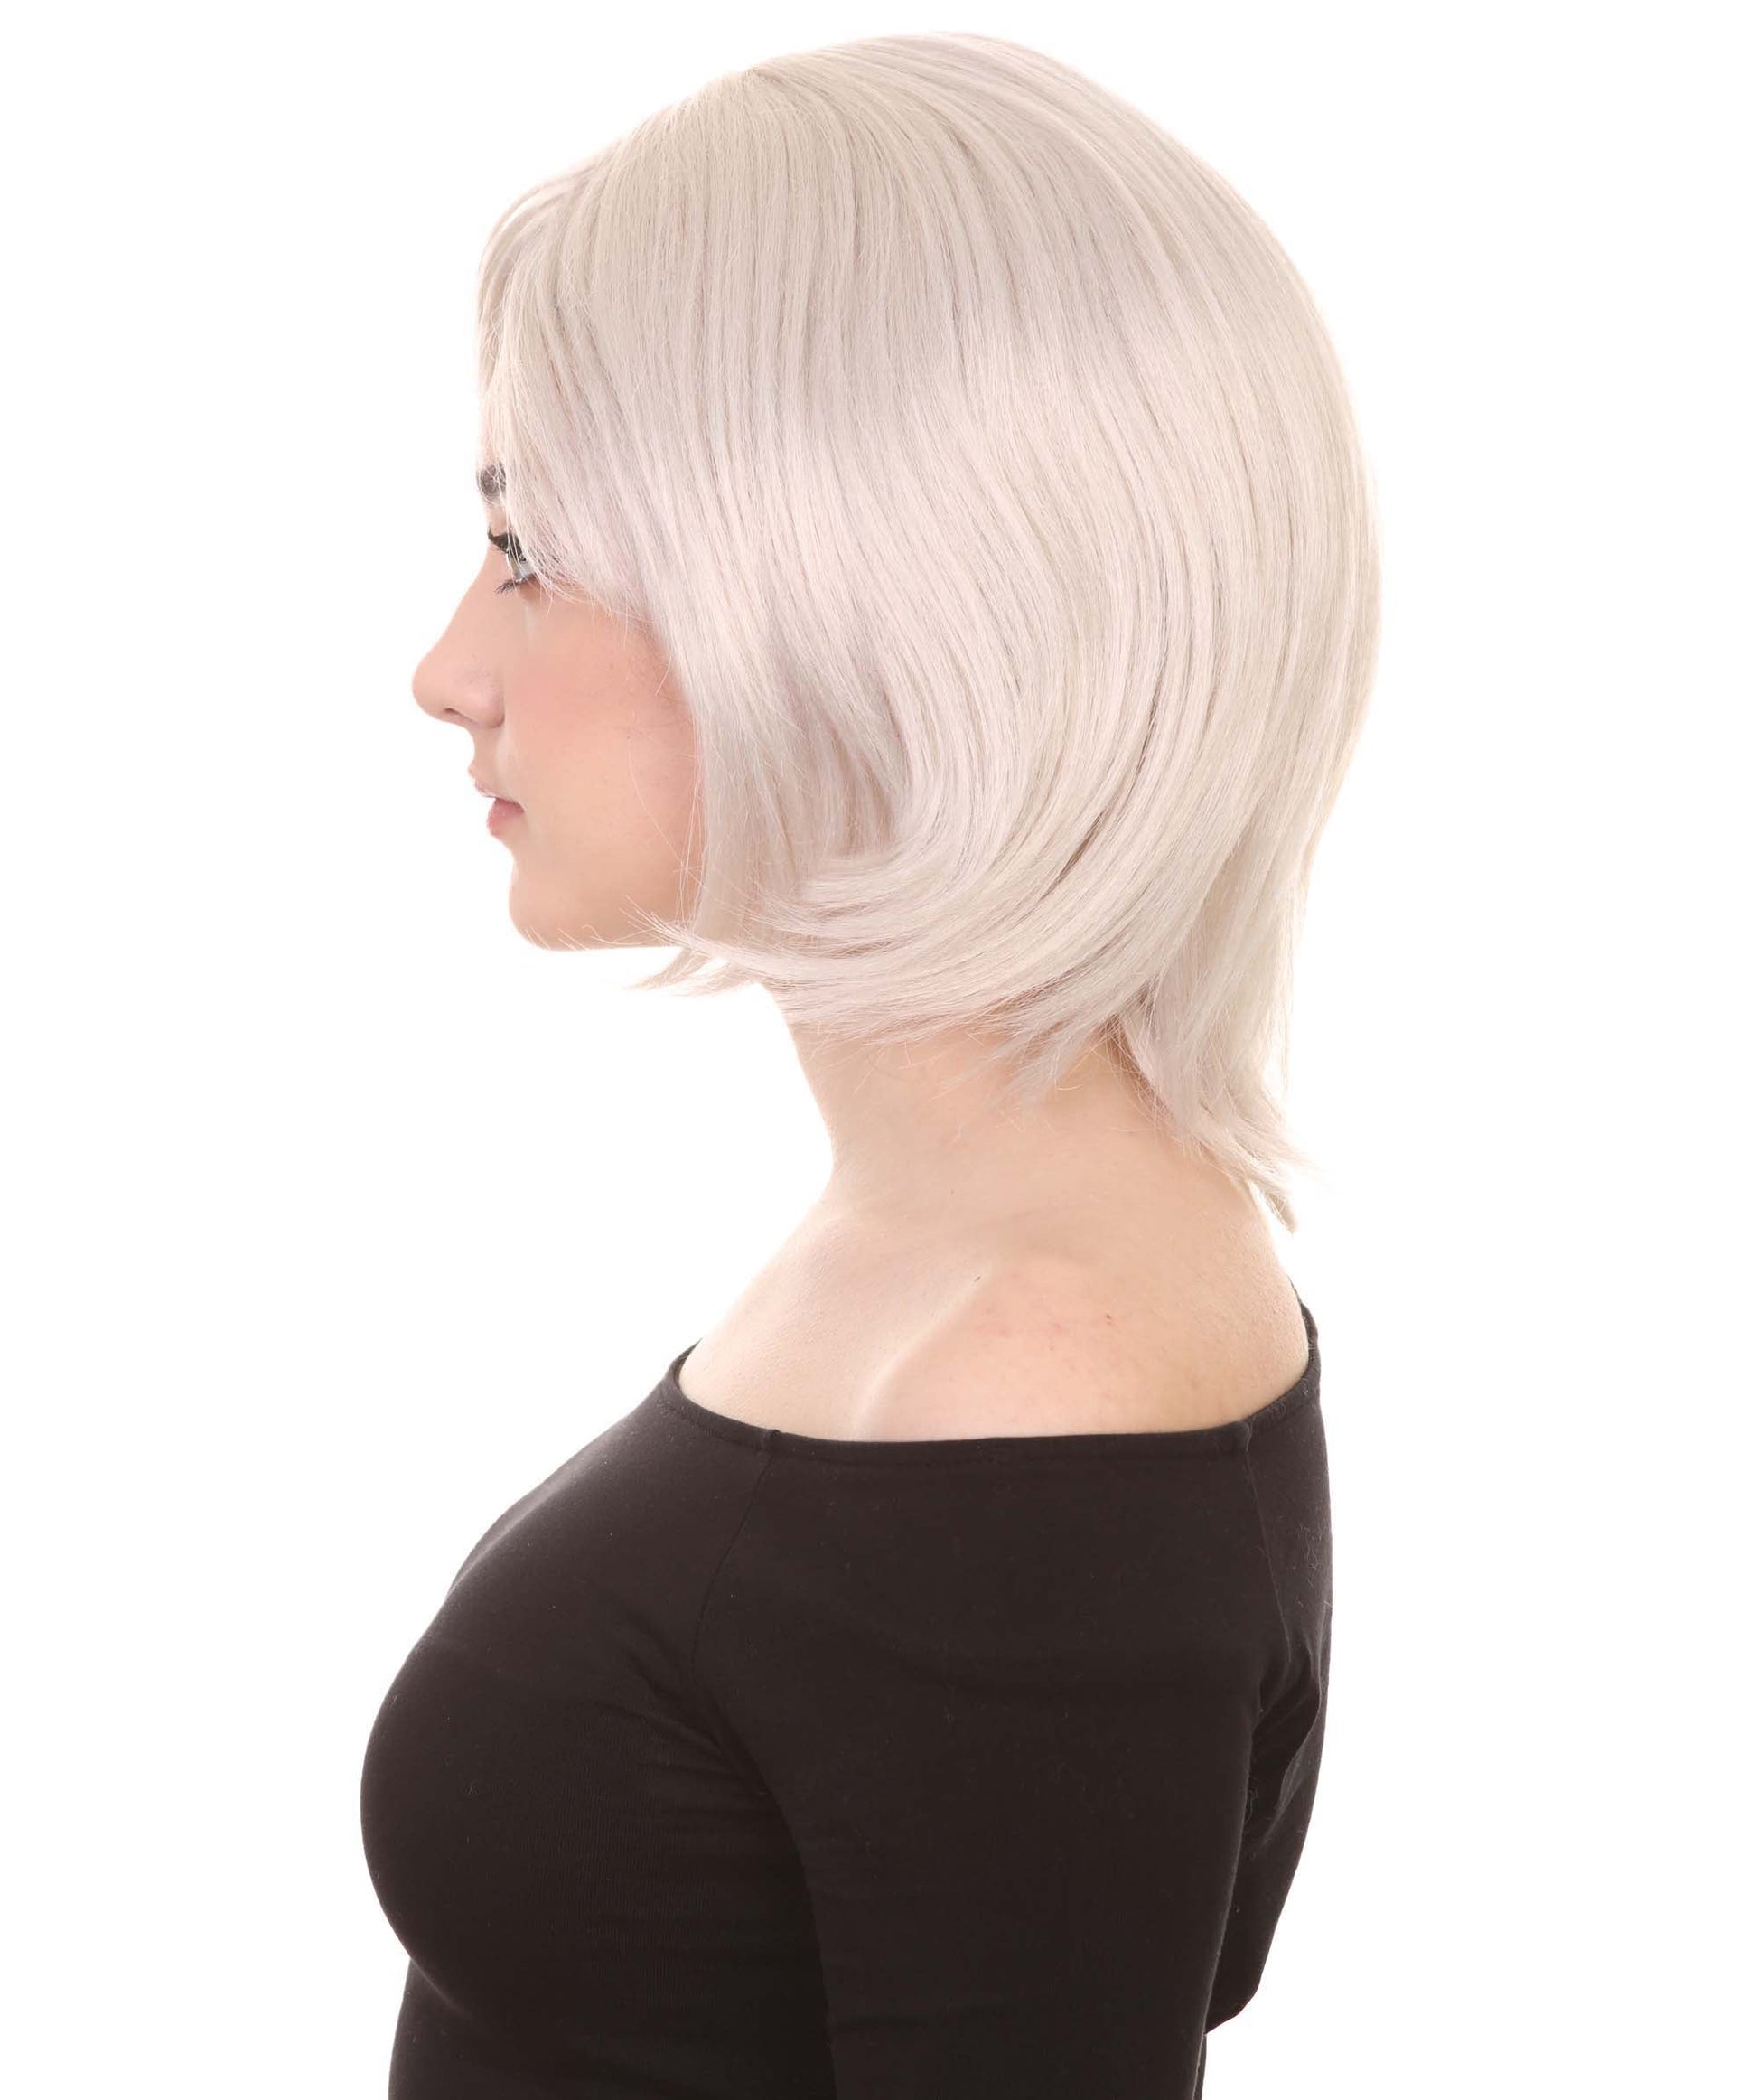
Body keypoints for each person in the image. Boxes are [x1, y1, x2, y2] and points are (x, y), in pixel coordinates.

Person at [367, 29, 1379, 2098]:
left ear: (860, 599)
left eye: (529, 549)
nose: (447, 668)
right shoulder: (955, 1251)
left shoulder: (1031, 1376)